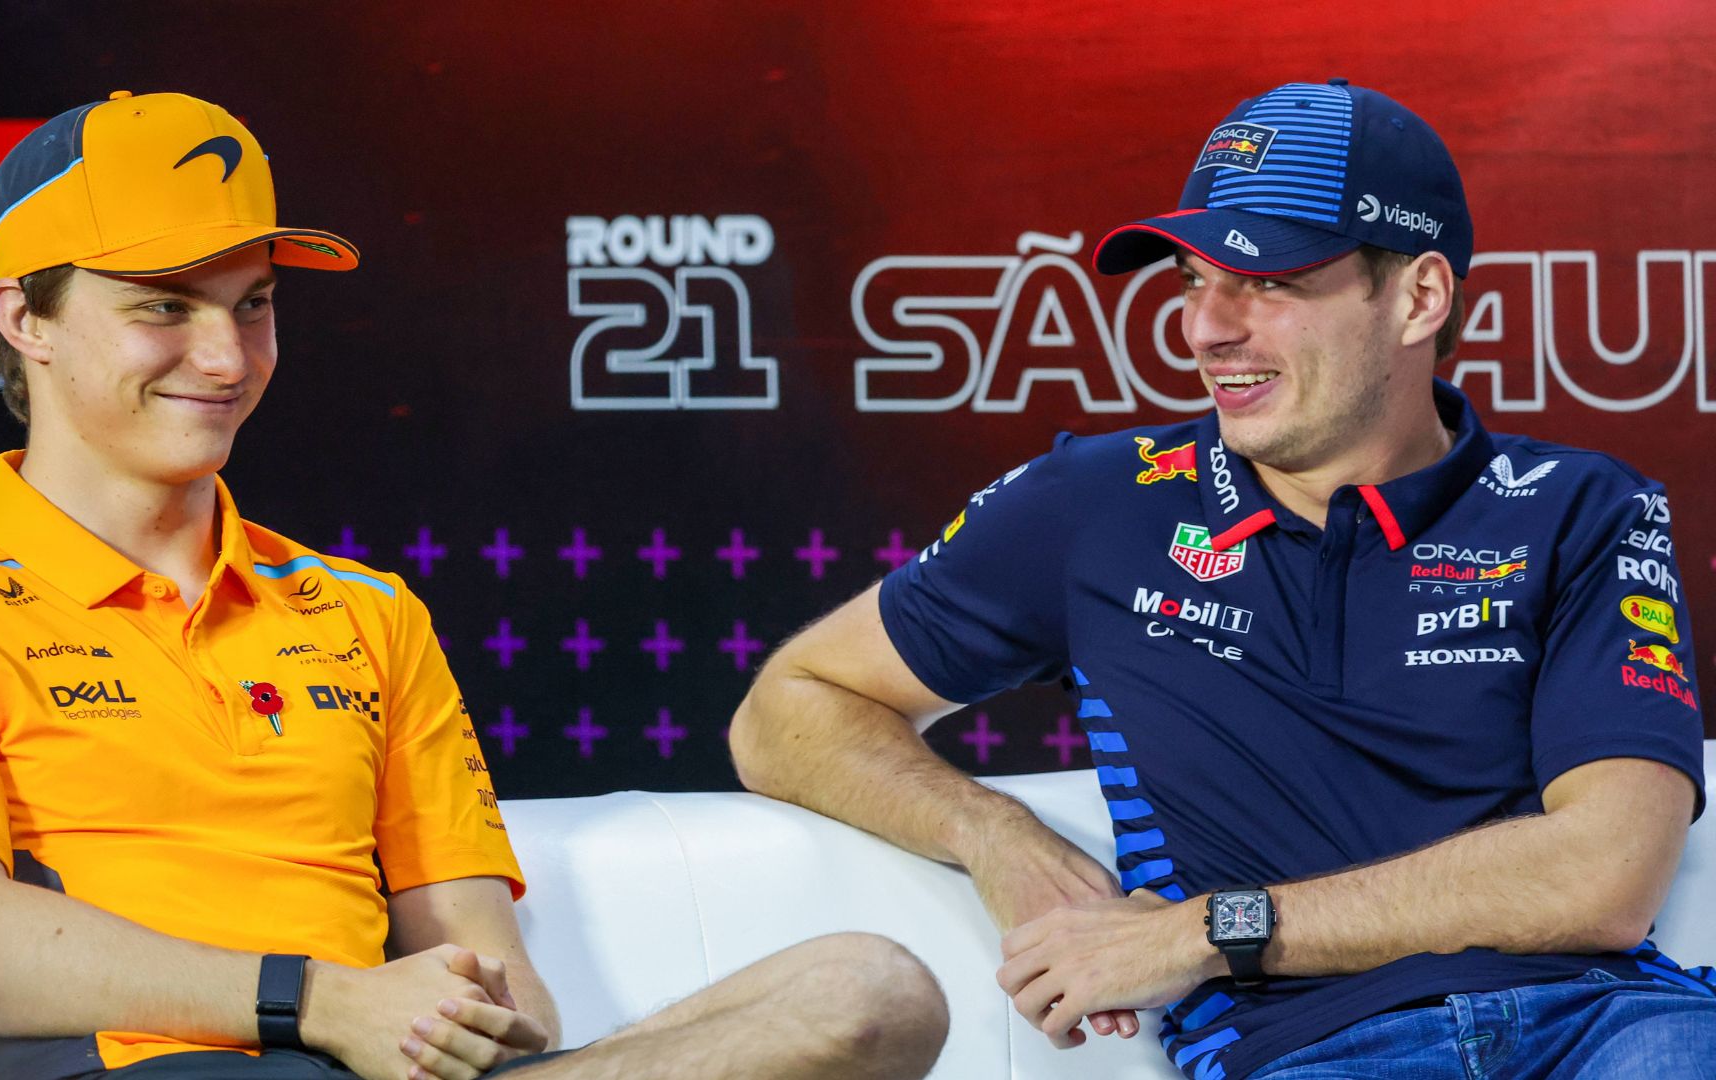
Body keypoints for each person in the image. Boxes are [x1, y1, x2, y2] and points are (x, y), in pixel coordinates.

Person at [0, 91, 948, 1080]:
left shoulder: (364, 608)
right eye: (164, 304)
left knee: (869, 991)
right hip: (136, 1067)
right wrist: (322, 1002)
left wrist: (456, 1018)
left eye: (253, 303)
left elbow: (492, 968)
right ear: (21, 318)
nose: (226, 357)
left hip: (373, 1066)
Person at [731, 78, 1715, 1078]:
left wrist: (1209, 930)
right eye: (1192, 280)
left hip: (1618, 1027)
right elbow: (789, 707)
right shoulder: (1097, 503)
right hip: (1313, 1054)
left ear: (1418, 297)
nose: (1206, 328)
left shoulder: (1583, 506)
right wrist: (992, 836)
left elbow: (1607, 872)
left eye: (1268, 282)